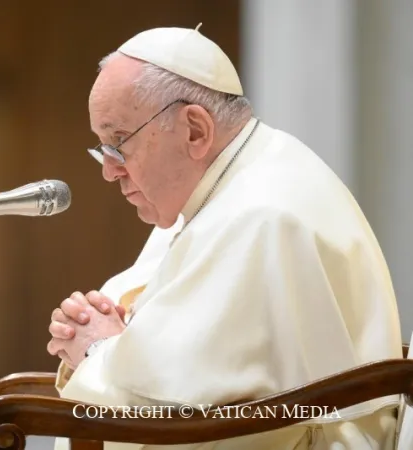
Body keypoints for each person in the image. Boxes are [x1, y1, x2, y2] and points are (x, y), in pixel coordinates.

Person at [46, 25, 404, 449]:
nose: (110, 170)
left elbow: (183, 407)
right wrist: (98, 330)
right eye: (102, 149)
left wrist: (96, 352)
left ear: (195, 130)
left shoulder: (264, 213)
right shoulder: (238, 181)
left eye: (119, 143)